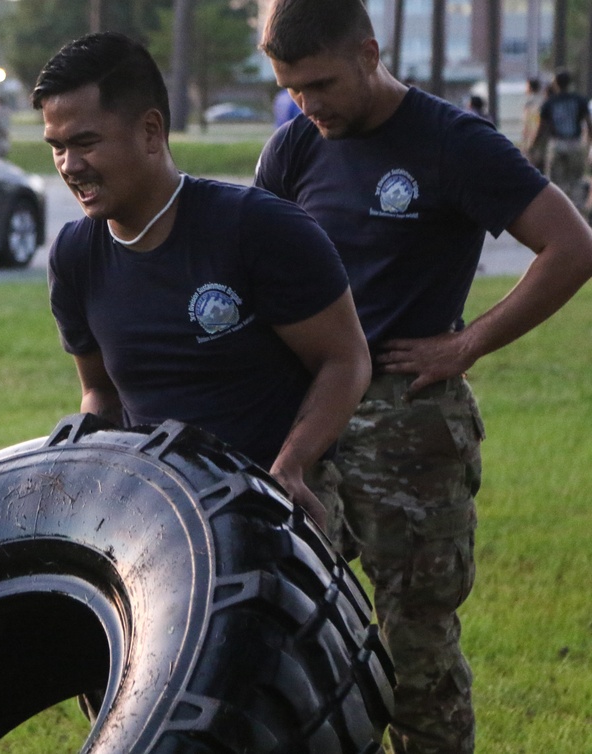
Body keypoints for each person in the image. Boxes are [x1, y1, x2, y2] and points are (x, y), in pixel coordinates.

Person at [254, 1, 592, 752]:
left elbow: (571, 245)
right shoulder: (293, 150)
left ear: (370, 52)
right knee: (297, 633)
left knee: (417, 654)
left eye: (322, 84)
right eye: (293, 89)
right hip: (308, 423)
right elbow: (259, 273)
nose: (310, 106)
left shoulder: (453, 142)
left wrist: (466, 344)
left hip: (410, 430)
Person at [31, 31, 371, 526]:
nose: (69, 165)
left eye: (85, 143)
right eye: (56, 147)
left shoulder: (258, 228)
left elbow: (345, 358)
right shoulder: (75, 255)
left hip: (270, 505)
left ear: (150, 131)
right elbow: (101, 391)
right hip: (156, 519)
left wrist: (292, 467)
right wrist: (79, 466)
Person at [534, 69, 592, 207]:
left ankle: (559, 209)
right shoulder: (579, 100)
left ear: (555, 84)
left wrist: (535, 145)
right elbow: (588, 123)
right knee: (576, 179)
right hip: (575, 144)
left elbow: (542, 128)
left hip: (557, 144)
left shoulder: (549, 103)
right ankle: (577, 211)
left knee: (556, 181)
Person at [520, 76, 545, 166]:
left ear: (530, 87)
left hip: (531, 136)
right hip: (543, 137)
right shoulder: (544, 100)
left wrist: (525, 140)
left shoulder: (529, 102)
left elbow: (527, 122)